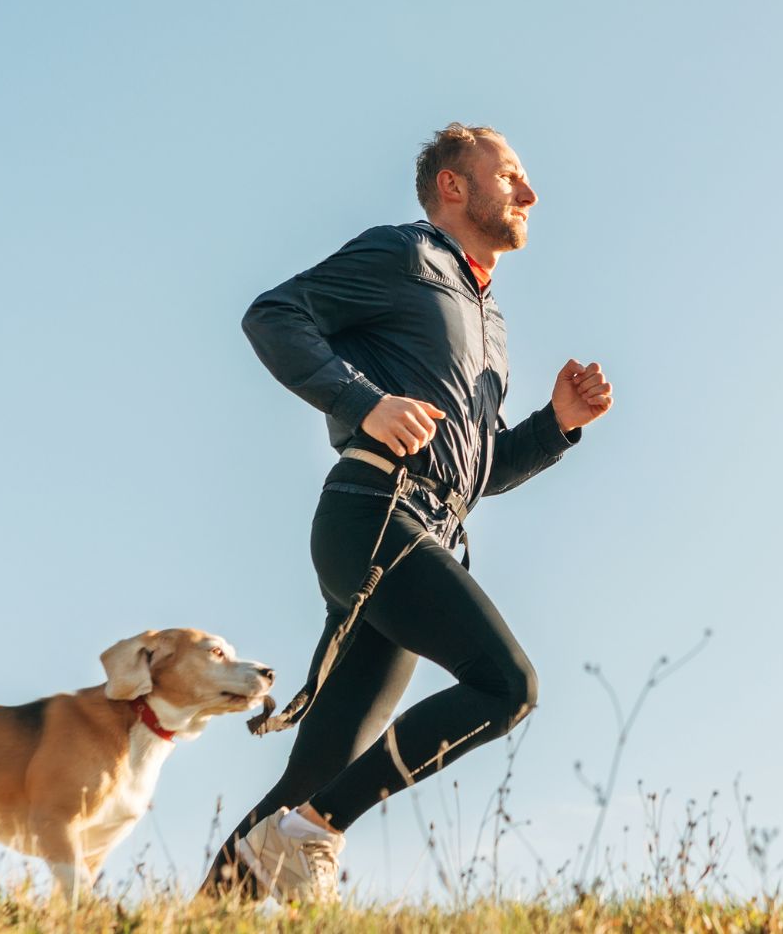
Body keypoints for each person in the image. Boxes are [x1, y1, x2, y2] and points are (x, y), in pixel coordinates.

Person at [201, 123, 613, 903]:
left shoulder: (489, 324)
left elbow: (477, 472)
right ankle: (318, 831)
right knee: (507, 686)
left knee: (311, 775)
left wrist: (556, 425)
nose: (529, 194)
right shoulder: (405, 256)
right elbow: (271, 314)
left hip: (426, 526)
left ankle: (207, 907)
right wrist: (364, 402)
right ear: (454, 186)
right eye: (512, 175)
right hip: (374, 511)